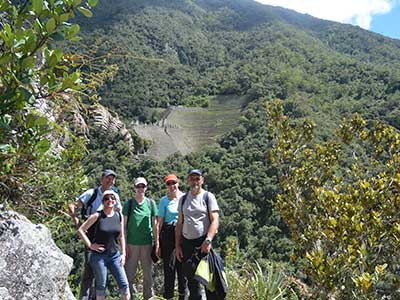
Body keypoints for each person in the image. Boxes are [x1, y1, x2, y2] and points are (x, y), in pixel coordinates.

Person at [68, 169, 122, 300]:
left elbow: (118, 213)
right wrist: (77, 220)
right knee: (89, 270)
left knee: (101, 273)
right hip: (92, 237)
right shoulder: (91, 193)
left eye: (112, 179)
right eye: (108, 178)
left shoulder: (114, 195)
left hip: (108, 240)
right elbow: (73, 205)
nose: (110, 181)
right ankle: (85, 298)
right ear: (101, 179)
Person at [175, 169, 220, 300]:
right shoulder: (183, 199)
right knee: (192, 282)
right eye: (192, 178)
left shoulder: (208, 197)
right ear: (188, 180)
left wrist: (208, 241)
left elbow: (215, 220)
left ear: (202, 180)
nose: (194, 181)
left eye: (197, 178)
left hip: (203, 243)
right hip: (187, 245)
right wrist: (178, 246)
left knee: (209, 281)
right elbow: (179, 224)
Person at [78, 190, 130, 300]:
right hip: (99, 257)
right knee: (101, 286)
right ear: (103, 201)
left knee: (124, 285)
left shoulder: (118, 215)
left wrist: (123, 254)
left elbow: (121, 236)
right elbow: (81, 230)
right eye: (107, 198)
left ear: (115, 201)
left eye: (112, 198)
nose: (110, 200)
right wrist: (90, 245)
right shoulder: (97, 216)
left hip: (115, 255)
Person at [123, 177, 158, 300]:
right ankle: (130, 297)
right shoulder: (129, 204)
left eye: (143, 186)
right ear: (134, 188)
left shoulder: (151, 203)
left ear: (146, 188)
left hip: (147, 243)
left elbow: (155, 225)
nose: (140, 189)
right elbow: (123, 226)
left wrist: (156, 243)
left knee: (148, 274)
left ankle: (148, 297)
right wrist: (124, 245)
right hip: (131, 244)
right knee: (129, 275)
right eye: (138, 186)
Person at [156, 174, 187, 300]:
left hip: (183, 233)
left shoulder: (185, 198)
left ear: (178, 183)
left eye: (173, 183)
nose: (172, 186)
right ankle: (168, 297)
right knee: (169, 268)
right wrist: (157, 242)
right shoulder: (164, 200)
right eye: (169, 184)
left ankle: (182, 296)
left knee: (182, 268)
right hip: (168, 233)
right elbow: (159, 222)